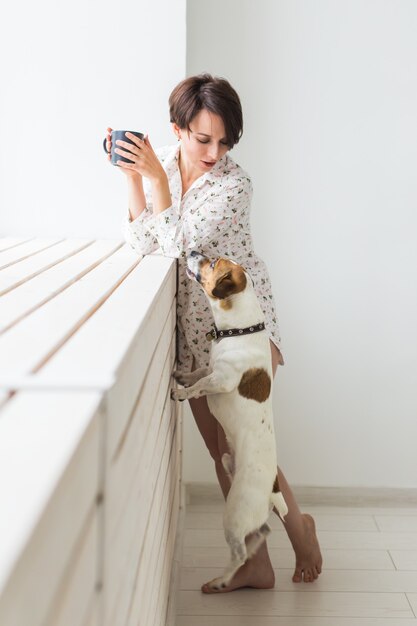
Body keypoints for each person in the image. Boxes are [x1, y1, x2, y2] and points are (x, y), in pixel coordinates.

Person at [106, 73, 322, 593]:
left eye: (224, 141)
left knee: (246, 448)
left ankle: (296, 526)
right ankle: (256, 558)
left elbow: (179, 244)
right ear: (177, 128)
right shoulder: (159, 160)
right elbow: (142, 244)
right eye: (203, 139)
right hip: (193, 336)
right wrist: (132, 176)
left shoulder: (233, 185)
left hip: (240, 330)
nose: (214, 151)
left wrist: (158, 183)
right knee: (227, 452)